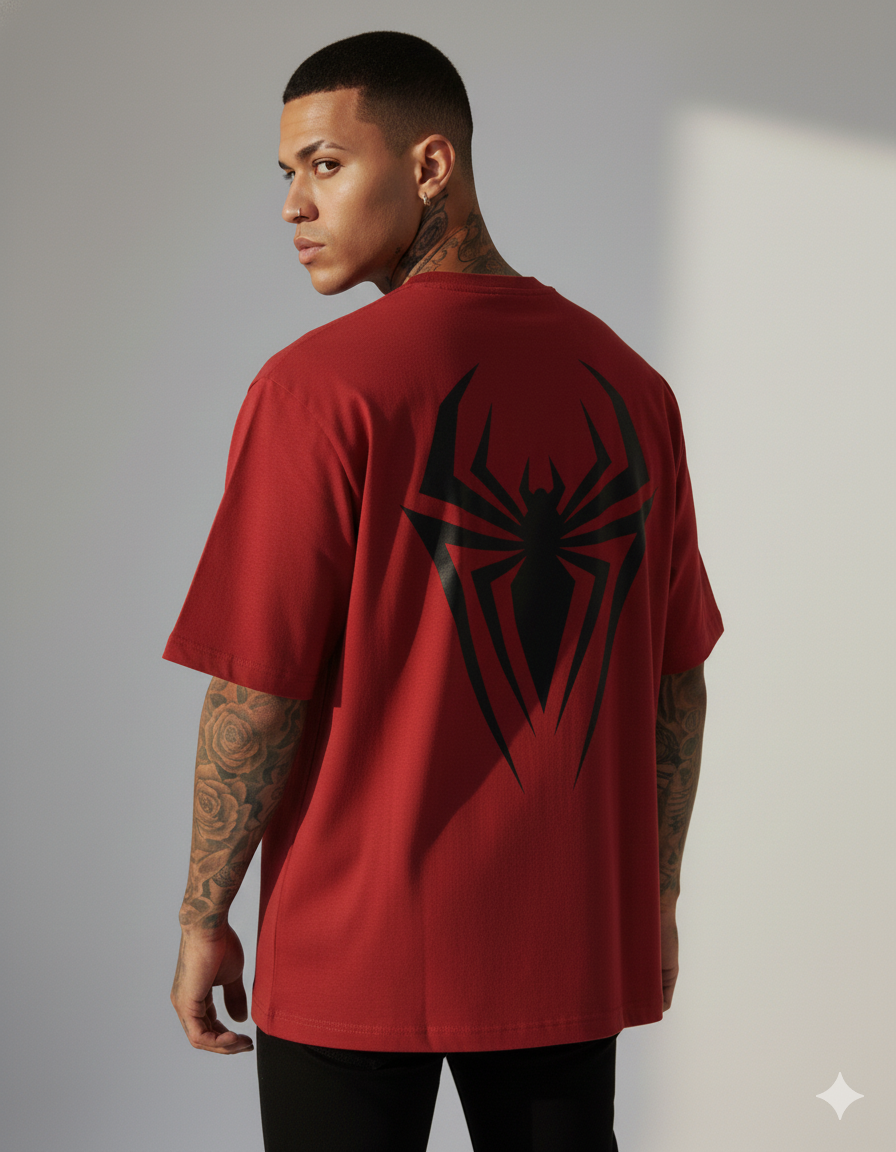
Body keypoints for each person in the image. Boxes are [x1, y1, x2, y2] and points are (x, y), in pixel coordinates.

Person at [165, 29, 722, 1152]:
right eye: (288, 174)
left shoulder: (315, 391)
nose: (294, 205)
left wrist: (203, 913)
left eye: (326, 164)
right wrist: (654, 896)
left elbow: (255, 694)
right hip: (568, 944)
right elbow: (677, 682)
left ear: (429, 165)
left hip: (355, 946)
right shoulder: (632, 389)